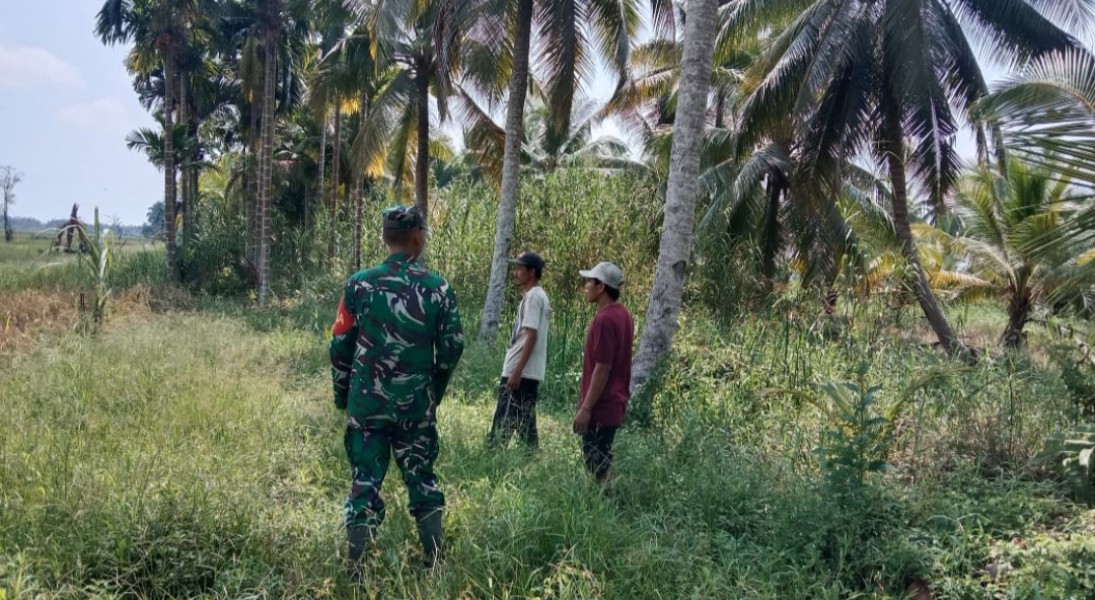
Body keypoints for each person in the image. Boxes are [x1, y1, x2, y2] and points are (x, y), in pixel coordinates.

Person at [329, 205, 464, 581]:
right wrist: (434, 390)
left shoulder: (358, 284)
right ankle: (434, 564)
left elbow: (340, 346)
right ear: (417, 236)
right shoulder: (437, 288)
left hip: (367, 406)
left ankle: (356, 571)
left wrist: (344, 396)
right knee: (421, 479)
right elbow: (452, 347)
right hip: (415, 407)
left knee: (365, 482)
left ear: (386, 237)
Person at [573, 261, 634, 484]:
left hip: (602, 404)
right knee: (600, 459)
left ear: (601, 287)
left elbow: (602, 368)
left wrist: (586, 408)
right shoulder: (624, 315)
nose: (586, 286)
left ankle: (613, 502)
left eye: (590, 281)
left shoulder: (604, 319)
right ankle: (611, 500)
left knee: (596, 463)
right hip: (615, 401)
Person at [486, 251, 550, 451]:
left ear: (531, 272)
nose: (516, 272)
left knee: (503, 421)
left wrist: (517, 371)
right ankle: (531, 457)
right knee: (525, 422)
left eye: (520, 268)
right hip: (528, 371)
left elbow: (531, 335)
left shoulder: (534, 297)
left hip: (521, 371)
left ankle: (493, 458)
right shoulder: (537, 296)